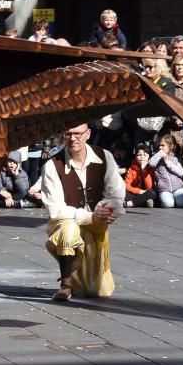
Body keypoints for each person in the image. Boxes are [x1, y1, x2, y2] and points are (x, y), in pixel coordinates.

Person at [41, 123, 125, 302]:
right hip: (65, 220)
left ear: (88, 134)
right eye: (68, 134)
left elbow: (116, 192)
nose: (73, 139)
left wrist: (109, 210)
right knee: (69, 230)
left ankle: (81, 273)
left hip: (96, 223)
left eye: (77, 134)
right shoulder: (52, 165)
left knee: (98, 291)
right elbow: (56, 209)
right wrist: (89, 216)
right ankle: (66, 283)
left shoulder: (104, 156)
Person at [148, 135, 183, 208]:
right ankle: (160, 199)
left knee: (182, 204)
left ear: (171, 146)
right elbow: (151, 163)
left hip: (177, 187)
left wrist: (168, 163)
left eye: (163, 145)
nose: (160, 147)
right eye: (159, 145)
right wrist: (160, 154)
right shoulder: (157, 157)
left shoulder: (175, 158)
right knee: (169, 204)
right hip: (164, 188)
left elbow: (181, 172)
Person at [123, 144, 156, 208]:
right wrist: (140, 191)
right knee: (122, 192)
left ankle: (128, 204)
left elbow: (149, 187)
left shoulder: (151, 169)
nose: (142, 157)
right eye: (139, 155)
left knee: (152, 193)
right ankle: (143, 202)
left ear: (149, 157)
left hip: (147, 193)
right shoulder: (132, 168)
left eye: (145, 155)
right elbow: (127, 185)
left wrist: (144, 171)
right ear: (135, 157)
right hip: (135, 193)